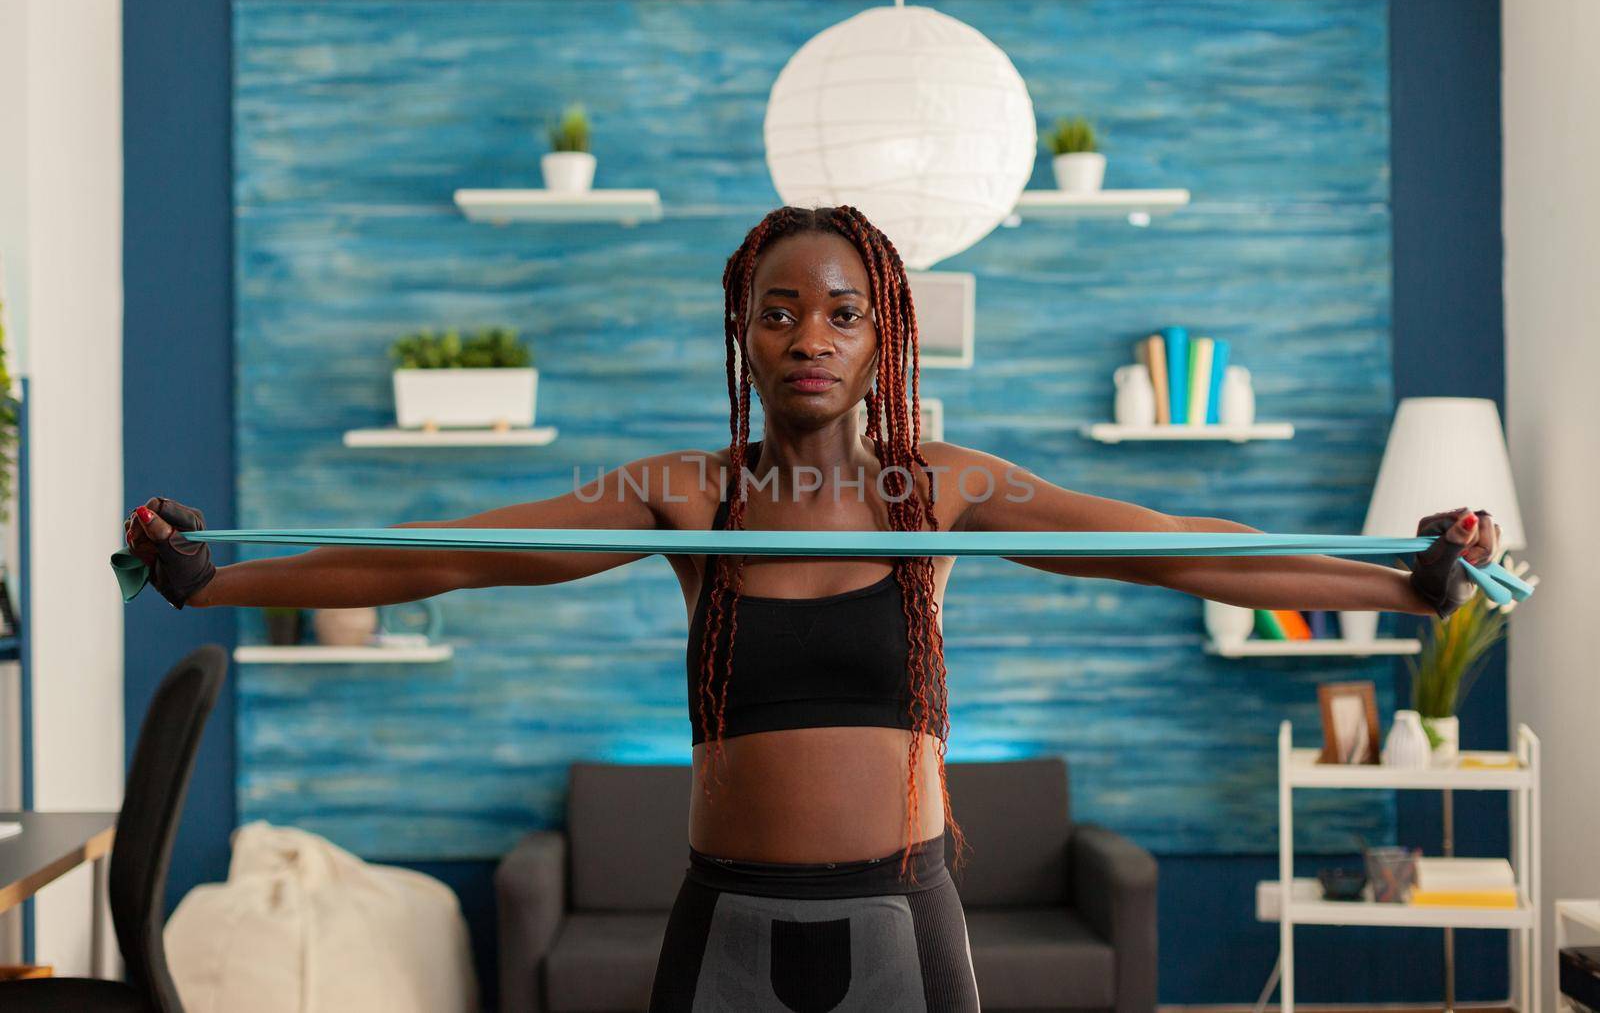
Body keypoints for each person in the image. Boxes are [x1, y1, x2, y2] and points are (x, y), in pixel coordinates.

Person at [124, 204, 1500, 1012]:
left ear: (882, 334)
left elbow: (1187, 551)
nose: (811, 339)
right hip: (720, 918)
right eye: (781, 312)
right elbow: (425, 555)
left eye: (842, 314)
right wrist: (218, 579)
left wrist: (1405, 584)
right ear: (745, 331)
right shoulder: (683, 494)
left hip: (911, 918)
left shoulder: (941, 491)